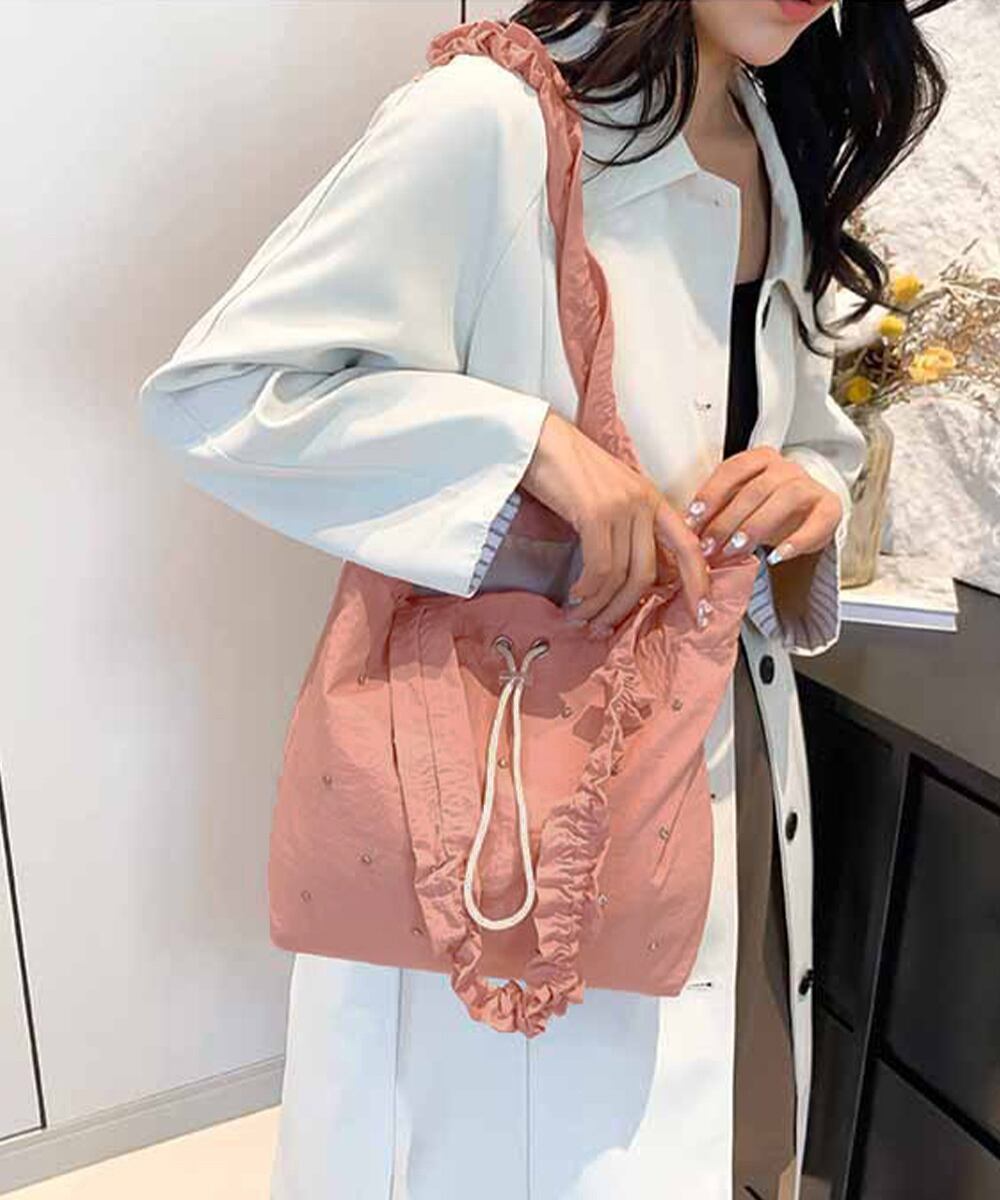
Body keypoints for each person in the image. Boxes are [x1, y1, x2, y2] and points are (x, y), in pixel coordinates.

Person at [136, 1, 955, 1196]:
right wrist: (526, 445)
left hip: (707, 742)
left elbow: (797, 428)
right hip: (505, 768)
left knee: (673, 1131)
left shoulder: (773, 133)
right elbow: (223, 394)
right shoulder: (492, 117)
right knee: (492, 1145)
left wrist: (811, 492)